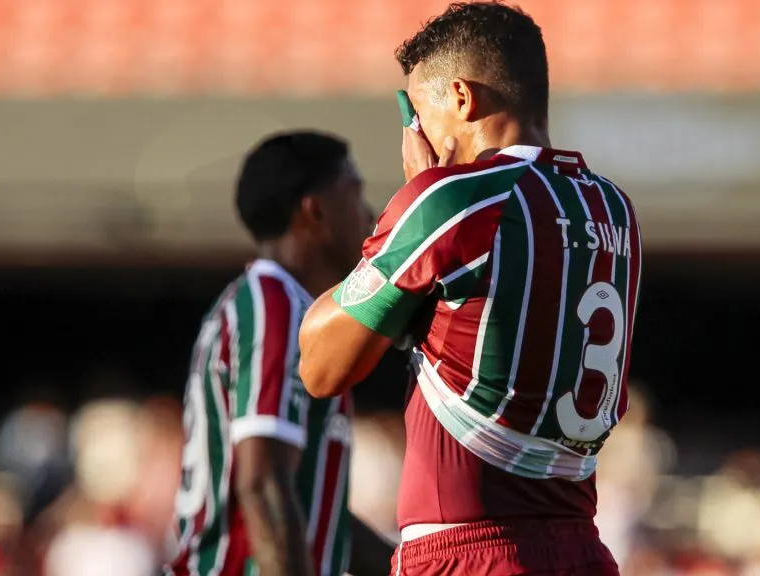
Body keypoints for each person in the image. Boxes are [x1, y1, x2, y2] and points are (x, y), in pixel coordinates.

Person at [298, 2, 642, 575]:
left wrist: (419, 195)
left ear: (460, 97)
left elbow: (320, 365)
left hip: (466, 547)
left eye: (417, 112)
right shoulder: (613, 206)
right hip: (582, 546)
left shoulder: (452, 199)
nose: (417, 133)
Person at [166, 131, 393, 576]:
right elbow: (263, 483)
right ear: (315, 210)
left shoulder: (270, 305)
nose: (370, 215)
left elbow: (315, 519)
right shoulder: (275, 305)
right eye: (356, 192)